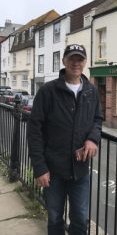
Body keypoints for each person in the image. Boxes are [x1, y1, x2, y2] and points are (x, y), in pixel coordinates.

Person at [27, 44, 103, 235]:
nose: (75, 63)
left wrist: (92, 139)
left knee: (80, 218)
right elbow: (34, 130)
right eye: (71, 58)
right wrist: (39, 168)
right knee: (54, 217)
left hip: (80, 169)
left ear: (85, 62)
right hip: (52, 171)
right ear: (64, 61)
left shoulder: (91, 91)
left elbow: (97, 119)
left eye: (80, 59)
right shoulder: (47, 91)